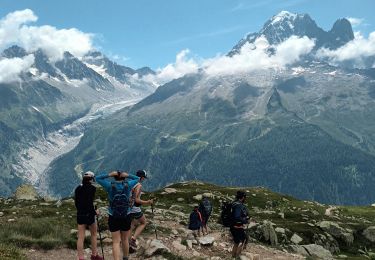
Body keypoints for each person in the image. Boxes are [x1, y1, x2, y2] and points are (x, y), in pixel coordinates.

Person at [96, 170, 139, 260]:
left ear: (114, 177)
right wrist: (128, 175)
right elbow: (137, 178)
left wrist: (109, 174)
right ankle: (125, 258)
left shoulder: (109, 186)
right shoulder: (128, 184)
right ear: (124, 177)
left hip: (113, 216)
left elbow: (97, 178)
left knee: (115, 242)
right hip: (126, 215)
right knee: (125, 239)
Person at [74, 171, 103, 260]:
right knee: (94, 234)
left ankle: (81, 258)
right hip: (89, 215)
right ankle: (94, 255)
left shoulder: (78, 188)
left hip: (80, 214)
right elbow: (89, 204)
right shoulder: (92, 188)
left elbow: (77, 203)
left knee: (81, 237)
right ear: (92, 179)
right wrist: (95, 212)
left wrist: (80, 211)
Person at [128, 170, 154, 250]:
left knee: (131, 225)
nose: (144, 179)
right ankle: (133, 240)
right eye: (143, 178)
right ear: (141, 177)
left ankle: (128, 243)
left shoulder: (131, 182)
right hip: (135, 208)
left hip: (128, 207)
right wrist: (148, 202)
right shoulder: (138, 185)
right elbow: (136, 200)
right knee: (143, 222)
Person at [230, 190, 249, 258]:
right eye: (245, 197)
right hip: (237, 226)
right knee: (245, 240)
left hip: (232, 225)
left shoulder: (234, 203)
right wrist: (245, 221)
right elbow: (237, 216)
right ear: (243, 197)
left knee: (236, 242)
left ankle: (233, 257)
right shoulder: (239, 205)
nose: (245, 198)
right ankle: (237, 257)